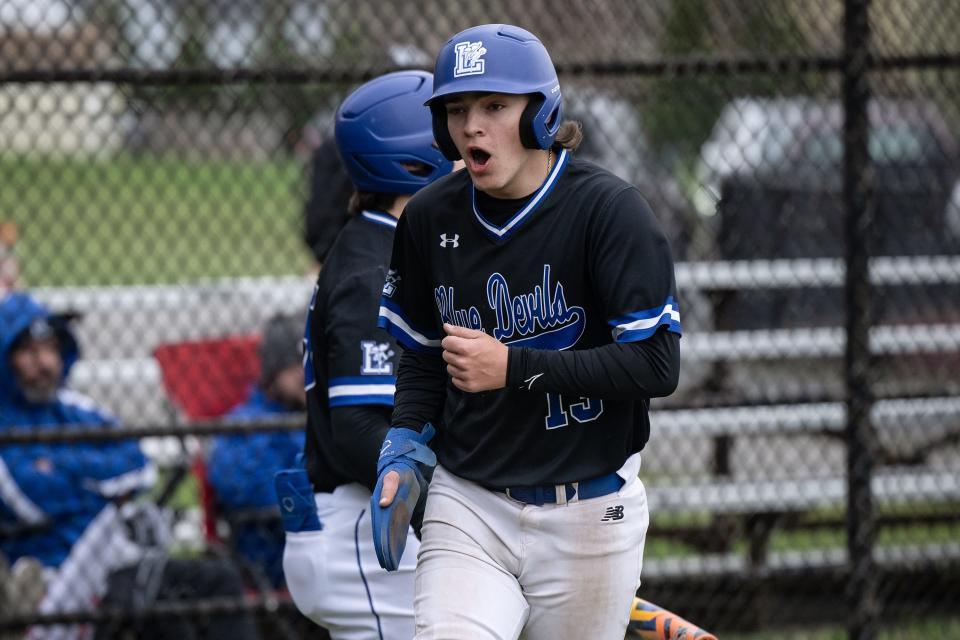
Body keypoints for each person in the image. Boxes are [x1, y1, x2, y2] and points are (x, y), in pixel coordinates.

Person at [373, 24, 681, 639]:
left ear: (541, 116)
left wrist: (513, 367)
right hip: (471, 503)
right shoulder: (430, 217)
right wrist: (404, 442)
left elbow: (655, 365)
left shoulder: (609, 211)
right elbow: (425, 358)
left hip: (590, 510)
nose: (471, 127)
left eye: (495, 106)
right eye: (456, 110)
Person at [275, 70, 456, 639]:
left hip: (374, 524)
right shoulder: (371, 268)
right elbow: (358, 428)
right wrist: (456, 519)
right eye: (449, 135)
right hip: (365, 529)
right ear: (414, 161)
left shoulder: (394, 245)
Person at [0, 292, 259, 640]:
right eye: (29, 352)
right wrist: (104, 489)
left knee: (220, 578)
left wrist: (61, 469)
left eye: (50, 350)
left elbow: (137, 464)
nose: (44, 362)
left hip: (118, 561)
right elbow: (30, 501)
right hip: (57, 574)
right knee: (164, 612)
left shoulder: (72, 407)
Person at [206, 313, 305, 587]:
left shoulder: (320, 418)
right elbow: (248, 492)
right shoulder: (244, 426)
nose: (306, 373)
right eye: (296, 365)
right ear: (274, 371)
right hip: (277, 560)